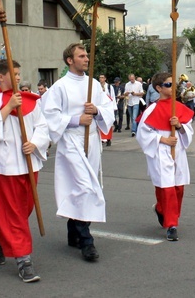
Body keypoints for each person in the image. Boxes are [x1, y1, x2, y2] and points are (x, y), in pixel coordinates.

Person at [0, 59, 50, 283]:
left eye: (19, 74)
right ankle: (23, 260)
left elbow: (43, 126)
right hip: (4, 166)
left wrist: (35, 143)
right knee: (14, 214)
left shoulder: (29, 101)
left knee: (23, 209)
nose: (18, 78)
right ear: (1, 77)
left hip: (28, 163)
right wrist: (7, 108)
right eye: (14, 74)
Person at [42, 43, 115, 262]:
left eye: (87, 55)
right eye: (81, 56)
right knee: (84, 186)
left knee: (84, 186)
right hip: (72, 141)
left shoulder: (93, 84)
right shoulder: (60, 86)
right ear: (69, 60)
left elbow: (108, 108)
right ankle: (86, 241)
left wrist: (96, 111)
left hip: (91, 139)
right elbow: (49, 115)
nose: (86, 59)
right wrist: (76, 120)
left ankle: (73, 231)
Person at [135, 72, 194, 241]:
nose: (172, 87)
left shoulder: (179, 107)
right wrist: (163, 139)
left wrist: (180, 126)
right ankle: (171, 225)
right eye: (168, 85)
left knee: (178, 188)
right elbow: (142, 134)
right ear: (159, 88)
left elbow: (188, 131)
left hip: (178, 150)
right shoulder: (152, 109)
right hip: (160, 150)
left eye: (173, 84)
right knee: (166, 187)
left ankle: (162, 210)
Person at [98, 74, 116, 146]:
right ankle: (102, 138)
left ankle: (108, 139)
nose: (101, 79)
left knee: (108, 122)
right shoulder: (97, 86)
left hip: (108, 107)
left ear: (105, 79)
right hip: (101, 107)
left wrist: (113, 107)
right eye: (100, 78)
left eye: (102, 78)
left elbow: (113, 97)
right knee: (101, 122)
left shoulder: (109, 87)